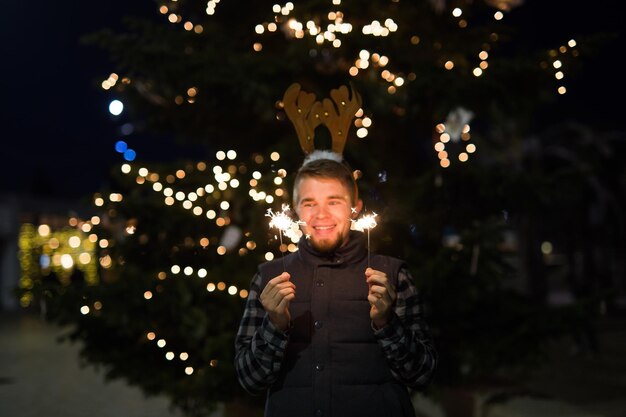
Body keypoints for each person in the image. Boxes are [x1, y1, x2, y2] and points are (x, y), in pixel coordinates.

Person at [234, 151, 437, 417]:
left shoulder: (392, 275)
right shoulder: (269, 278)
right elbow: (250, 380)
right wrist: (274, 324)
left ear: (356, 207)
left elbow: (422, 374)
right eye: (309, 203)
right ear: (295, 210)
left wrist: (386, 324)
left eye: (334, 201)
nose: (321, 214)